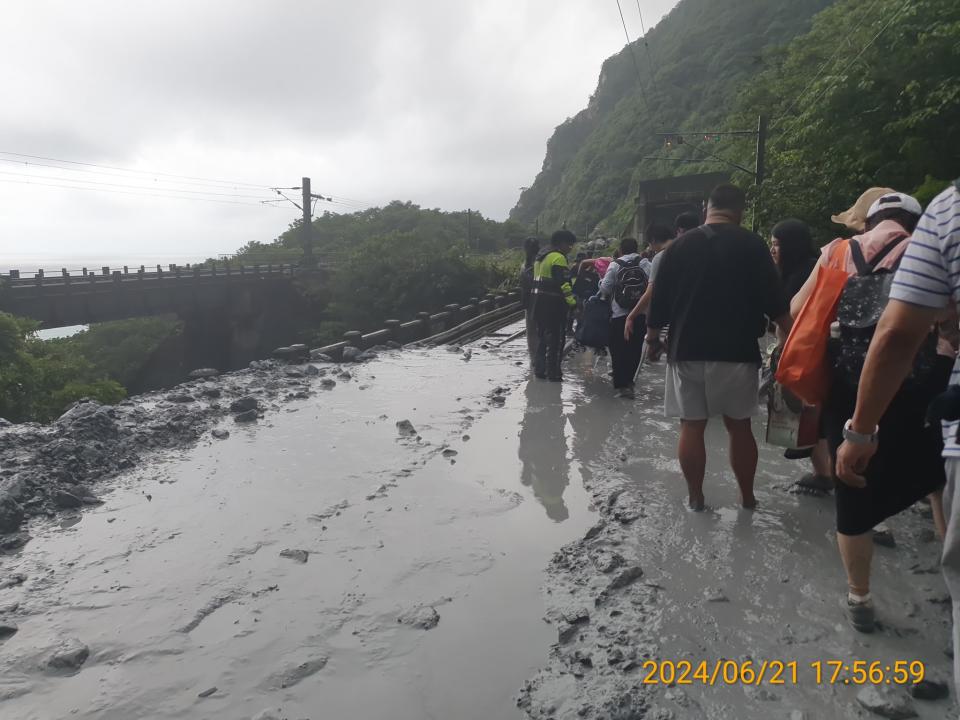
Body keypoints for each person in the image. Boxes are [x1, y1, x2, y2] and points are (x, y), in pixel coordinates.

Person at [829, 189, 958, 639]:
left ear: (869, 220)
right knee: (937, 471)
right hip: (916, 386)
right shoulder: (925, 247)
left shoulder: (836, 252)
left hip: (846, 386)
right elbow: (945, 325)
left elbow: (799, 312)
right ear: (912, 220)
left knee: (852, 488)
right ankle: (948, 553)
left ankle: (859, 595)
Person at [646, 184, 792, 510]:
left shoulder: (678, 247)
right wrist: (794, 342)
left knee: (692, 425)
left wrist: (652, 339)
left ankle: (696, 498)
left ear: (706, 208)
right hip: (737, 351)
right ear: (739, 210)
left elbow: (660, 302)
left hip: (687, 350)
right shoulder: (752, 245)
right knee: (739, 426)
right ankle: (747, 497)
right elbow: (777, 303)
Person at [770, 219, 834, 489]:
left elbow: (792, 317)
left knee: (811, 415)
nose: (773, 249)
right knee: (814, 417)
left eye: (776, 244)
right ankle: (825, 474)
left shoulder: (801, 275)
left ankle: (828, 475)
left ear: (790, 246)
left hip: (805, 353)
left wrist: (782, 351)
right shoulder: (807, 266)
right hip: (816, 351)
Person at [623, 215, 699, 340]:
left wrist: (631, 316)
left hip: (667, 322)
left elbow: (651, 293)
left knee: (653, 357)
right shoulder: (689, 251)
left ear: (653, 240)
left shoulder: (661, 257)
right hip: (690, 318)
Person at [598, 237, 651, 399]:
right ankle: (629, 381)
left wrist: (600, 282)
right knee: (635, 348)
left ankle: (621, 385)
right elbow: (653, 285)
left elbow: (605, 289)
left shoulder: (615, 265)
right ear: (636, 248)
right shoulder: (645, 263)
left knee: (618, 349)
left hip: (619, 314)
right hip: (640, 313)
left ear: (621, 250)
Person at [532, 230, 577, 381]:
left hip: (538, 304)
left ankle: (540, 370)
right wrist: (573, 304)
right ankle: (554, 373)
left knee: (543, 338)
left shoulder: (540, 257)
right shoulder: (558, 258)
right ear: (561, 243)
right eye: (569, 244)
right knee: (556, 341)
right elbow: (564, 284)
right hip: (554, 305)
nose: (571, 248)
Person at [519, 237, 541, 365]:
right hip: (542, 298)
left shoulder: (525, 265)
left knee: (531, 330)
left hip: (529, 300)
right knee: (541, 330)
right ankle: (540, 358)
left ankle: (534, 359)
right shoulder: (541, 262)